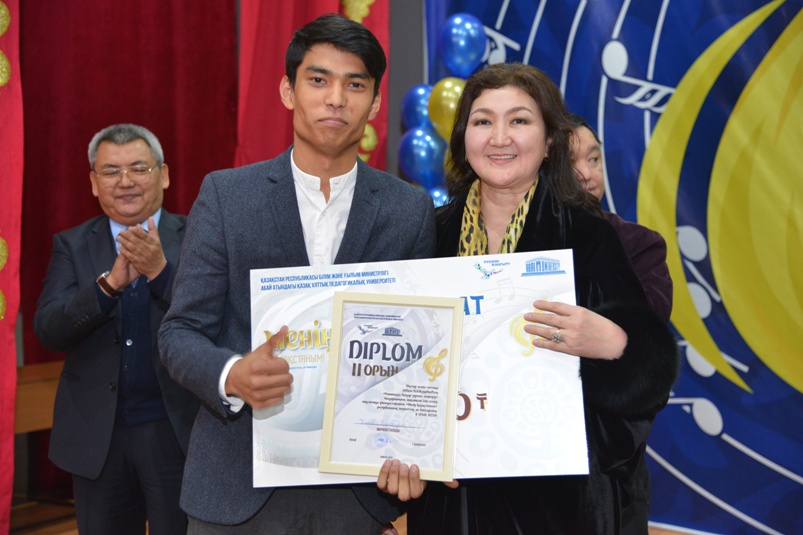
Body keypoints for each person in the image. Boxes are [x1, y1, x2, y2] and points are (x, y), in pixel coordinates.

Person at [157, 13, 435, 533]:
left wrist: (418, 442)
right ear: (288, 91)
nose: (336, 99)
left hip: (356, 491)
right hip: (236, 486)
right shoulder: (227, 196)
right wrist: (232, 374)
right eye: (318, 80)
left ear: (376, 103)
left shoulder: (408, 210)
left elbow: (419, 347)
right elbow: (179, 332)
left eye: (355, 85)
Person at [406, 63, 679, 534]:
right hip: (452, 495)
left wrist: (615, 344)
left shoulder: (588, 235)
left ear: (550, 140)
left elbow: (649, 371)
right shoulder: (429, 234)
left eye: (519, 120)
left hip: (560, 498)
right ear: (463, 136)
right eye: (483, 121)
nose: (500, 138)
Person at [34, 123, 199, 534]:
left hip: (177, 430)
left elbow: (219, 318)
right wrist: (107, 287)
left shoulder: (199, 235)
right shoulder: (72, 244)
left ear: (163, 175)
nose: (125, 182)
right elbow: (50, 330)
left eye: (139, 169)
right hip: (98, 437)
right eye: (111, 171)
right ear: (94, 183)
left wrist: (159, 272)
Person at [569, 113, 673, 322]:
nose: (587, 174)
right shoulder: (518, 233)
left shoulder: (640, 242)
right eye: (569, 163)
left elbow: (650, 321)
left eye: (593, 159)